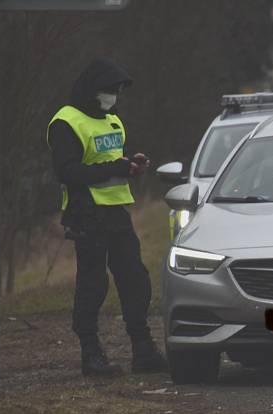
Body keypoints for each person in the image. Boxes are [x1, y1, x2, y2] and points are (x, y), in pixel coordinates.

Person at [47, 57, 168, 376]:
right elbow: (68, 171)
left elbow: (111, 162)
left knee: (135, 279)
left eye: (117, 91)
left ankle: (143, 349)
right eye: (109, 90)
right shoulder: (66, 121)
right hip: (85, 213)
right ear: (92, 90)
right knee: (93, 283)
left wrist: (130, 165)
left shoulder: (113, 120)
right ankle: (91, 354)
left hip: (115, 211)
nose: (114, 96)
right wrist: (115, 168)